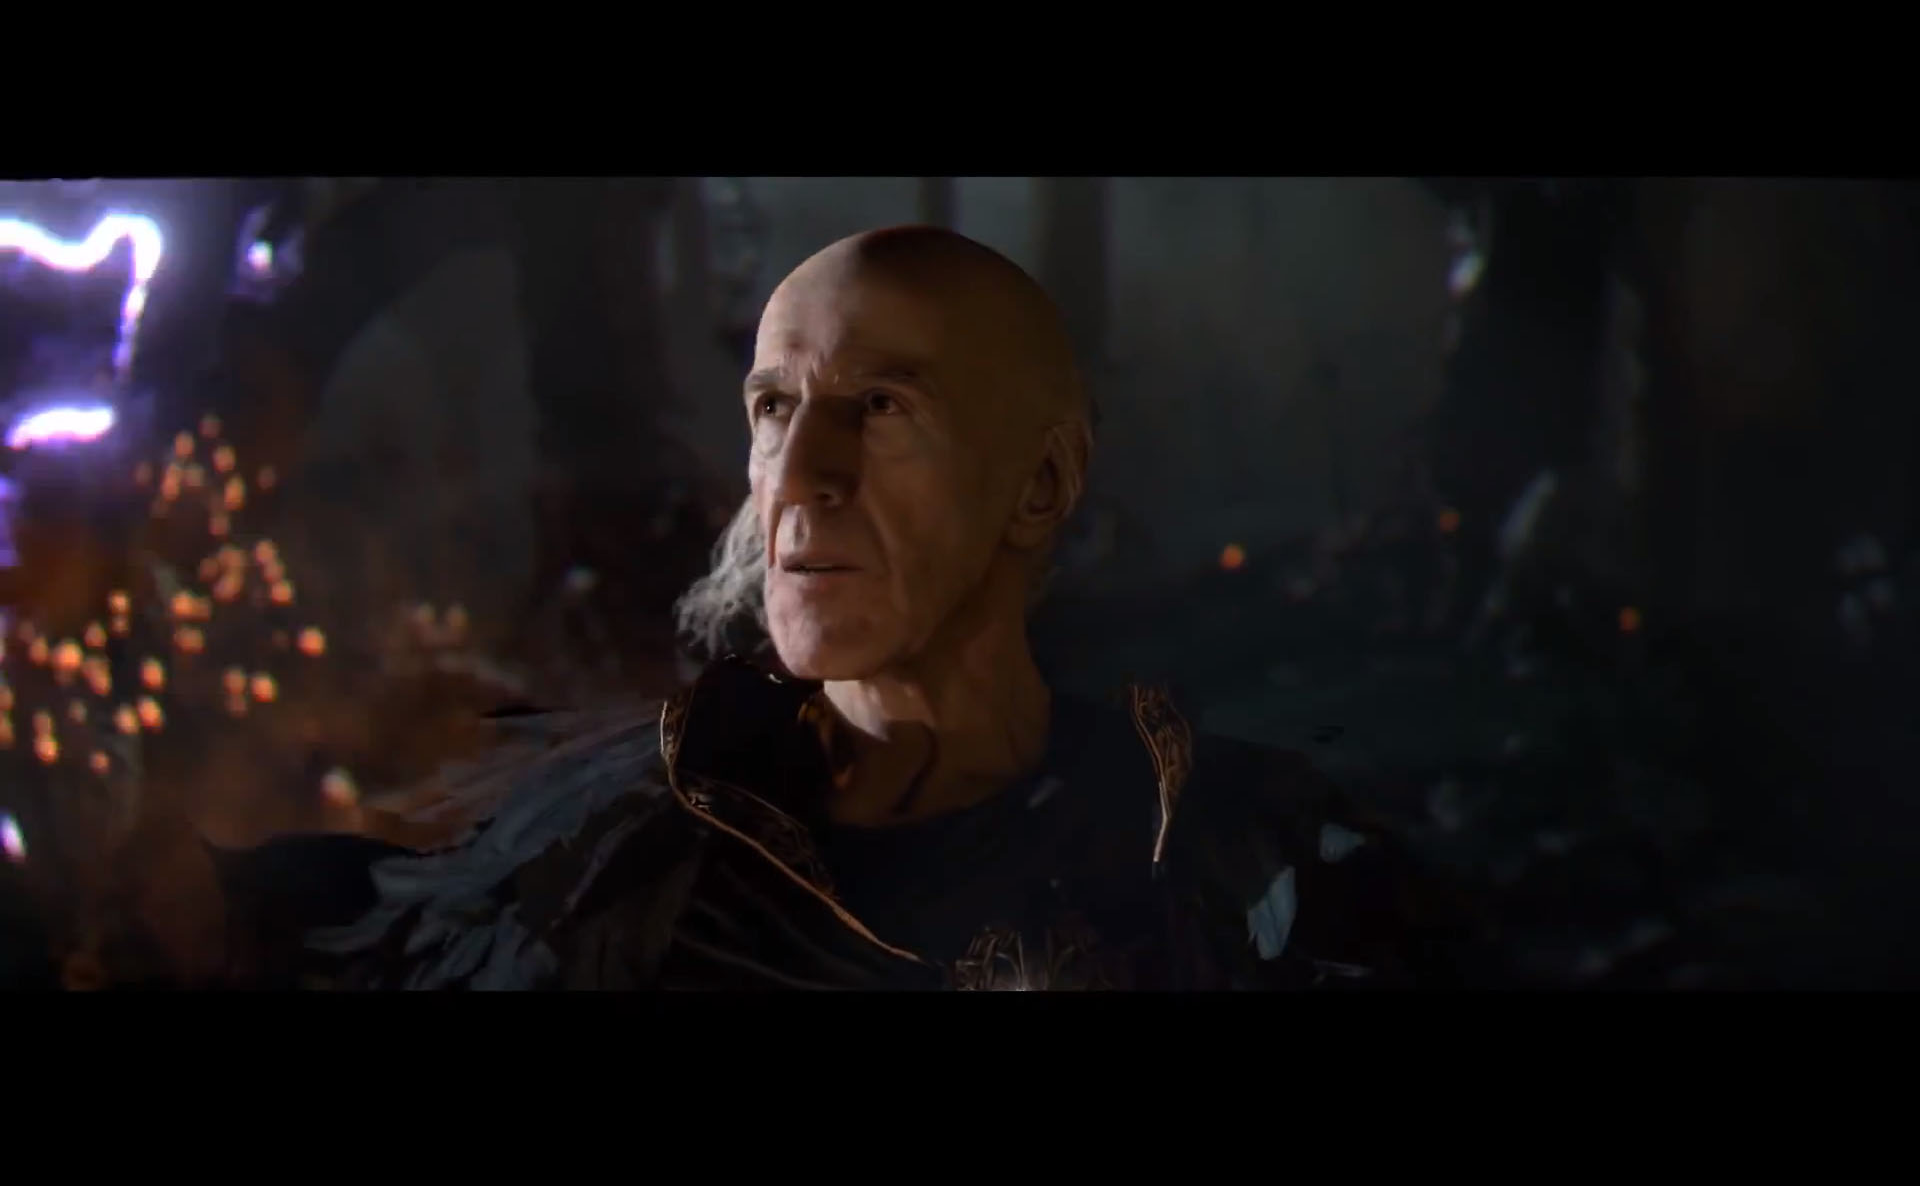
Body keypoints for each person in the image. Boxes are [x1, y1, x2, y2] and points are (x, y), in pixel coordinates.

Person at [95, 226, 1491, 990]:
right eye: (774, 409)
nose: (802, 474)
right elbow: (359, 931)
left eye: (880, 407)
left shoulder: (1247, 853)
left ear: (1040, 483)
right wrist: (158, 881)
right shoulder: (643, 845)